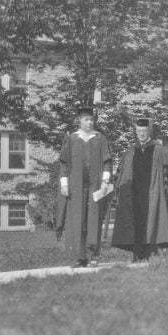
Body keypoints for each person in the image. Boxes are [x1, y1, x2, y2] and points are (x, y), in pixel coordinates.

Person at [112, 118, 168, 261]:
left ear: (150, 131)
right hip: (133, 195)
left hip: (153, 194)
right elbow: (120, 175)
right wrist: (118, 196)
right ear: (135, 131)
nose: (141, 133)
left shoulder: (160, 150)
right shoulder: (129, 152)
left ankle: (150, 253)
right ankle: (138, 253)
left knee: (152, 222)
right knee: (135, 223)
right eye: (139, 131)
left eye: (144, 131)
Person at [58, 106, 112, 268]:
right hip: (76, 186)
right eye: (85, 119)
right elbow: (64, 164)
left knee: (93, 219)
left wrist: (105, 182)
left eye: (91, 119)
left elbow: (107, 162)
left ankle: (93, 256)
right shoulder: (72, 138)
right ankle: (79, 257)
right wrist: (64, 184)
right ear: (79, 121)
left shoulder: (100, 138)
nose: (89, 122)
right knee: (76, 220)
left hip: (95, 186)